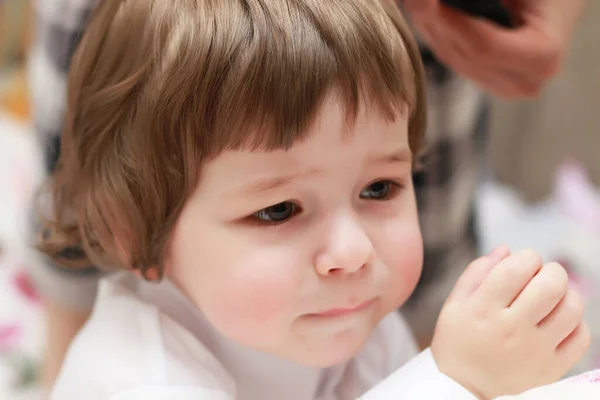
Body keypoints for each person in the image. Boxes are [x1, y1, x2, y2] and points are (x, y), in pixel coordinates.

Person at [35, 0, 591, 398]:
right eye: (278, 210)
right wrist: (454, 382)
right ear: (131, 231)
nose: (353, 250)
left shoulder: (350, 320)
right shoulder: (135, 380)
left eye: (380, 188)